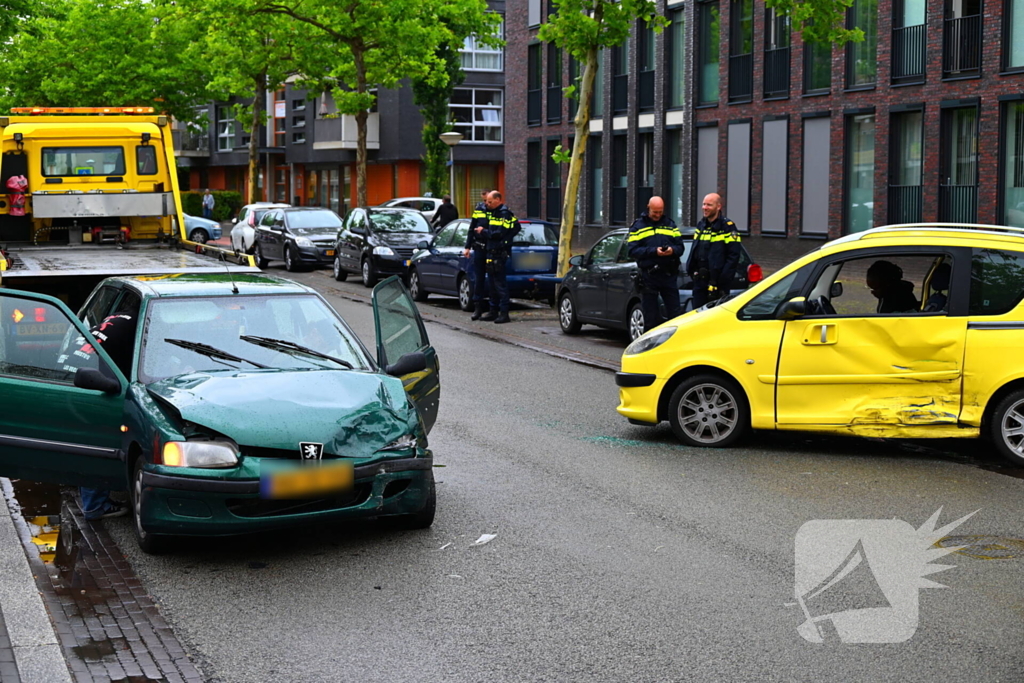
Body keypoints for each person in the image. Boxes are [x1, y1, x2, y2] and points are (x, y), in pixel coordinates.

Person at [60, 306, 139, 520]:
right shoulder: (141, 326)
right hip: (88, 382)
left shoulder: (119, 317)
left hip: (67, 376)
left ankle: (83, 488)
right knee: (97, 440)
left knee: (84, 440)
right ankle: (95, 505)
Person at [627, 196, 685, 332]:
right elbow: (632, 250)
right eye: (655, 212)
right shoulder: (638, 226)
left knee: (675, 316)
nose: (658, 215)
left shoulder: (670, 224)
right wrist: (654, 251)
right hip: (649, 276)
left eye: (660, 212)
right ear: (648, 208)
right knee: (650, 317)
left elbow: (680, 247)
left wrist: (671, 250)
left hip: (668, 274)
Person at [687, 193, 742, 309]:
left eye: (709, 205)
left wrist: (722, 280)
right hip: (700, 281)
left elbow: (734, 255)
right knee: (697, 315)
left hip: (717, 283)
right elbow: (695, 250)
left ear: (718, 206)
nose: (705, 207)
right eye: (704, 204)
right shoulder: (701, 225)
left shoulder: (728, 227)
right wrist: (691, 269)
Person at [480, 190, 521, 324]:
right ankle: (493, 311)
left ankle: (504, 313)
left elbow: (497, 233)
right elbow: (516, 227)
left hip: (498, 253)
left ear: (498, 200)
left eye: (490, 201)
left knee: (500, 284)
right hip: (492, 251)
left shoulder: (504, 214)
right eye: (487, 202)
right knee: (492, 284)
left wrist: (484, 231)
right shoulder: (495, 212)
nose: (487, 204)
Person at [463, 189, 492, 320]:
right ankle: (477, 308)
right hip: (479, 247)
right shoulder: (479, 210)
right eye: (484, 200)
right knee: (478, 279)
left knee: (493, 279)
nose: (485, 203)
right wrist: (467, 247)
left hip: (491, 248)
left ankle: (492, 309)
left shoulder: (497, 211)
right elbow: (472, 228)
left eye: (487, 200)